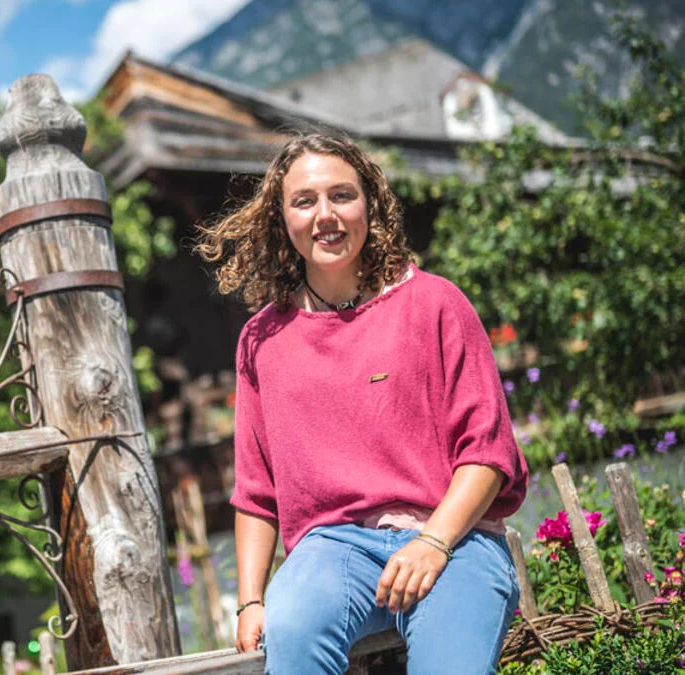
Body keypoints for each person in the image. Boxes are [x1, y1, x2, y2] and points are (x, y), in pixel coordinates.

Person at [195, 133, 528, 674]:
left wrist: (434, 543)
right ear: (282, 220)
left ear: (370, 206)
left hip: (455, 540)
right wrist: (252, 599)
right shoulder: (262, 340)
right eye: (304, 201)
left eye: (341, 195)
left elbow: (487, 454)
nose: (324, 215)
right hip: (330, 550)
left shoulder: (436, 304)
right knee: (295, 632)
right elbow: (257, 492)